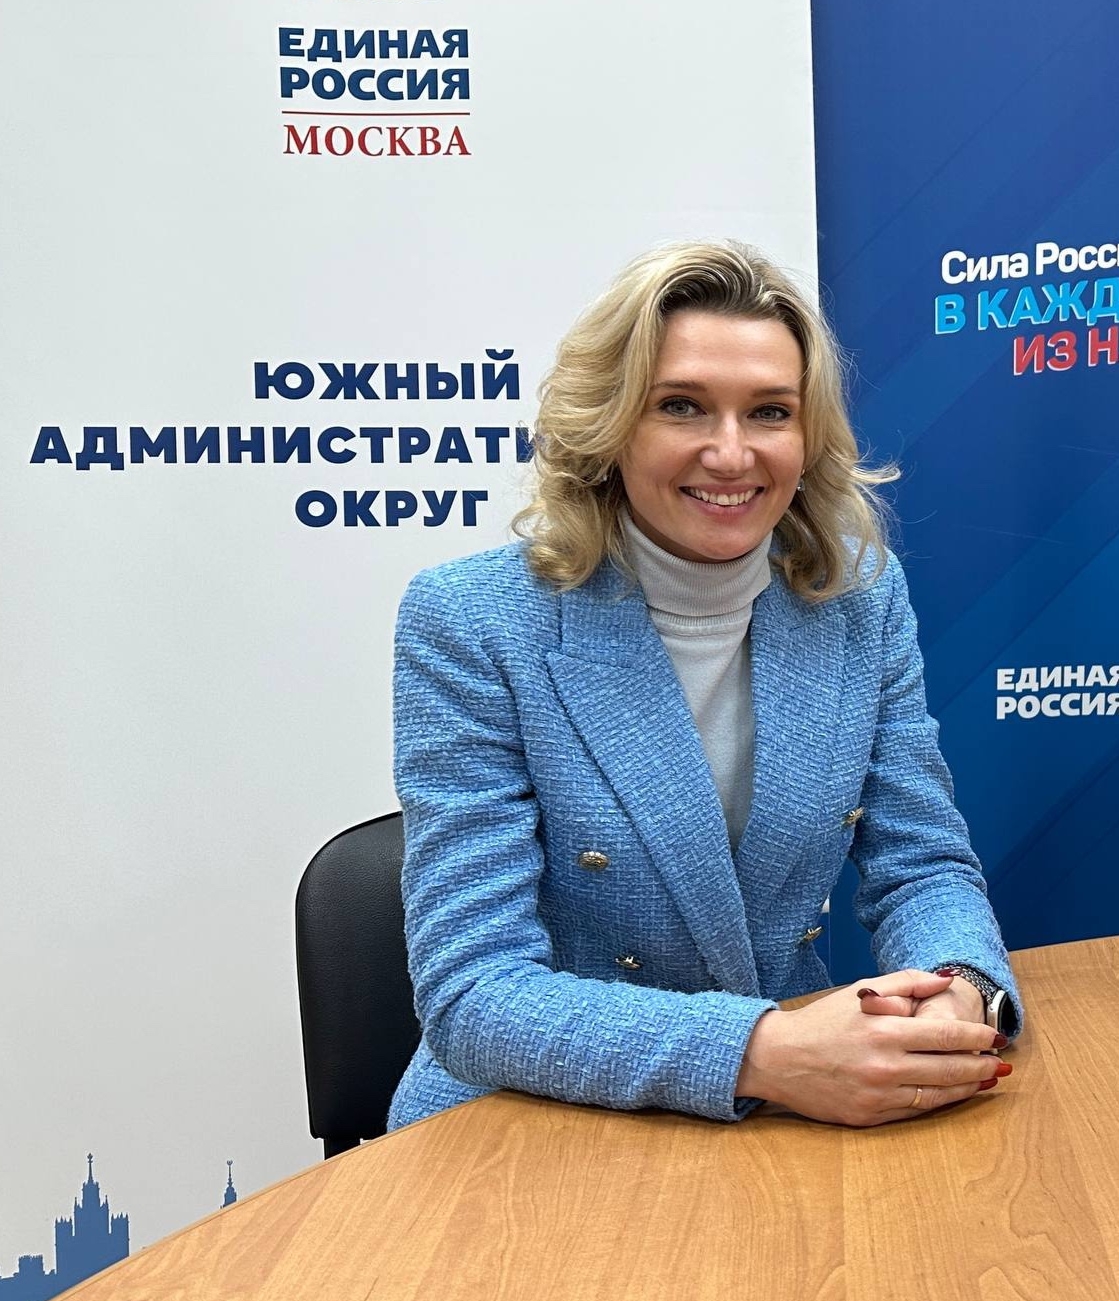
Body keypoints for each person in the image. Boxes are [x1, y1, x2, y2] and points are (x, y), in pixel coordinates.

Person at [389, 239, 1018, 1131]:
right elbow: (472, 994)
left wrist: (959, 989)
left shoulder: (859, 598)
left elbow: (921, 864)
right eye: (680, 406)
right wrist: (764, 1052)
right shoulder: (471, 619)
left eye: (769, 412)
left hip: (791, 1108)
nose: (731, 453)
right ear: (610, 426)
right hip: (530, 1120)